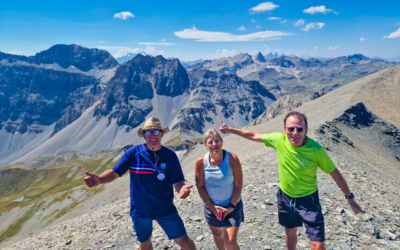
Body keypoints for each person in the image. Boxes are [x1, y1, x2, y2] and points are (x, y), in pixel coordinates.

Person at [219, 111, 366, 250]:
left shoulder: (316, 150)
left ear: (306, 130)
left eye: (299, 129)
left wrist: (350, 199)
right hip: (285, 197)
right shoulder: (279, 140)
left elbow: (335, 173)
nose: (295, 133)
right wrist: (231, 130)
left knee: (318, 245)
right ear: (285, 129)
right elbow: (253, 135)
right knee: (290, 232)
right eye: (291, 129)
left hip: (309, 200)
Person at [84, 117, 196, 250]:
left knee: (185, 242)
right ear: (143, 135)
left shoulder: (170, 156)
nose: (152, 135)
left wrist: (182, 190)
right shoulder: (133, 153)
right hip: (140, 211)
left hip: (165, 208)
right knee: (145, 243)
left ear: (162, 134)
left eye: (155, 131)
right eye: (148, 132)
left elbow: (177, 181)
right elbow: (115, 173)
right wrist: (100, 179)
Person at [195, 128, 244, 250]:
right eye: (210, 142)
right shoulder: (201, 162)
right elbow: (200, 186)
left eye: (217, 140)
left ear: (222, 142)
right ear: (206, 146)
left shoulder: (232, 159)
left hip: (232, 206)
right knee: (217, 234)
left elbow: (238, 185)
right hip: (212, 207)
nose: (214, 145)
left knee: (230, 241)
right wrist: (212, 208)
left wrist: (231, 207)